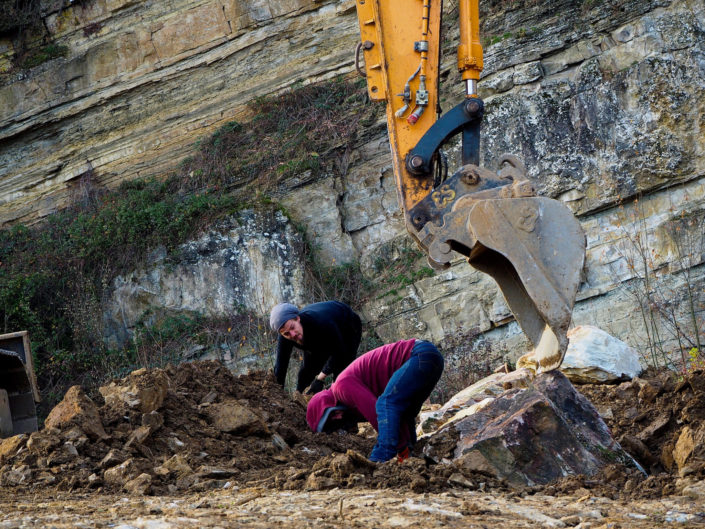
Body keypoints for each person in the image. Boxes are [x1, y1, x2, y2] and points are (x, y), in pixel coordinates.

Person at [306, 338, 444, 463]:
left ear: (328, 404)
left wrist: (381, 458)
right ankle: (411, 455)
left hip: (418, 355)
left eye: (332, 414)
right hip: (430, 359)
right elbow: (396, 416)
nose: (339, 416)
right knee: (403, 412)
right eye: (334, 422)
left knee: (386, 403)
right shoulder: (343, 395)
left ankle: (380, 458)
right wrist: (406, 447)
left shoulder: (341, 387)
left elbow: (376, 411)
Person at [269, 301, 362, 394]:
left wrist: (320, 378)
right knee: (304, 374)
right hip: (315, 338)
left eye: (292, 327)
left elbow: (339, 352)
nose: (292, 334)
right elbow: (281, 367)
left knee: (341, 376)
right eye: (286, 334)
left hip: (347, 327)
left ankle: (345, 400)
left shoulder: (321, 322)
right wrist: (278, 394)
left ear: (297, 319)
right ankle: (300, 399)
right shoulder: (285, 335)